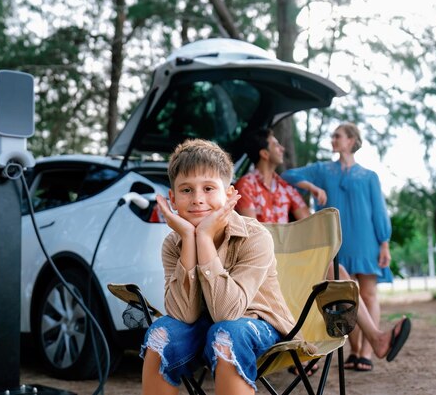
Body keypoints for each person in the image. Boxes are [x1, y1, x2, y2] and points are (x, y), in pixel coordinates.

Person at [141, 139, 308, 395]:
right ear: (172, 199)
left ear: (229, 194)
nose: (197, 199)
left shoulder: (255, 236)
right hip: (202, 324)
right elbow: (183, 315)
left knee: (227, 333)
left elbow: (227, 313)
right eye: (186, 190)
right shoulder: (174, 243)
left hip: (257, 325)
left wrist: (205, 239)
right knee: (161, 333)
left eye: (208, 188)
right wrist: (189, 239)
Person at [237, 128, 410, 373]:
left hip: (294, 263)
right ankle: (306, 349)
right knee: (321, 281)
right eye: (276, 144)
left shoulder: (285, 189)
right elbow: (255, 233)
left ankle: (376, 340)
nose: (282, 148)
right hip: (263, 267)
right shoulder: (246, 185)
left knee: (337, 272)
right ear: (264, 153)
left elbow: (310, 228)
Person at [281, 122, 400, 372]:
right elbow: (288, 176)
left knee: (368, 294)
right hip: (337, 240)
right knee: (349, 296)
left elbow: (379, 210)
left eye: (338, 136)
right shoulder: (323, 169)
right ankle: (353, 352)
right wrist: (312, 187)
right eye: (333, 135)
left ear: (352, 140)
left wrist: (384, 243)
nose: (333, 139)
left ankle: (364, 352)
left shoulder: (369, 176)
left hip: (367, 240)